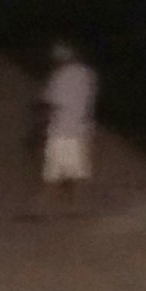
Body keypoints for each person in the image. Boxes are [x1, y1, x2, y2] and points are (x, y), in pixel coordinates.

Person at [37, 40, 98, 211]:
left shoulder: (59, 76)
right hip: (81, 129)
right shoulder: (88, 75)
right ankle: (75, 207)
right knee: (77, 171)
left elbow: (49, 103)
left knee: (52, 171)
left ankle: (41, 208)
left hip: (60, 129)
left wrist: (42, 126)